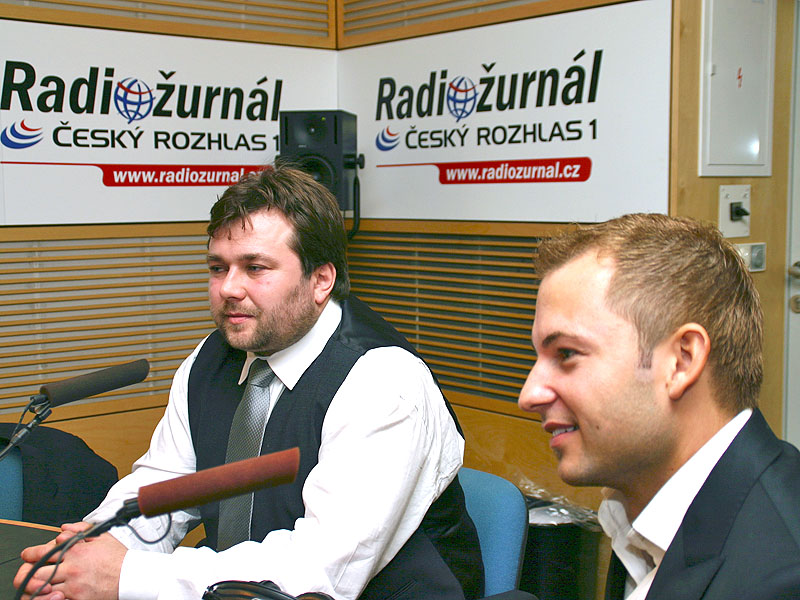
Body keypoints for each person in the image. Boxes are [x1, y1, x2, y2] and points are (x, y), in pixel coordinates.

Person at [15, 163, 483, 600]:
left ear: (321, 280)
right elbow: (165, 488)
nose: (228, 288)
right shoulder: (209, 359)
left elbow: (319, 571)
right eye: (218, 268)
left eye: (255, 268)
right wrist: (94, 548)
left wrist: (126, 576)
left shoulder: (383, 381)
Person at [517, 213, 800, 600]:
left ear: (681, 361)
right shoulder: (646, 505)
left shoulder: (779, 579)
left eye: (566, 353)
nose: (529, 395)